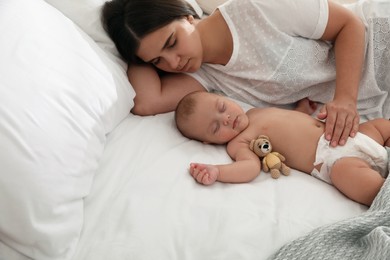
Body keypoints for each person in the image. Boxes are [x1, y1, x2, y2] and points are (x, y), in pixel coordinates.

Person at [102, 0, 390, 147]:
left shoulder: (255, 7)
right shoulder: (207, 78)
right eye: (158, 61)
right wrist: (135, 50)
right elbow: (146, 102)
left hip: (379, 42)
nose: (174, 62)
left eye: (172, 42)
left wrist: (346, 99)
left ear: (187, 15)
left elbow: (348, 24)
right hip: (376, 100)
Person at [174, 91, 390, 206]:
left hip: (346, 134)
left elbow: (290, 121)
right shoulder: (239, 142)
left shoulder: (255, 111)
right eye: (215, 127)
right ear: (209, 142)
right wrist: (217, 171)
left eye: (222, 107)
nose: (226, 118)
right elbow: (249, 167)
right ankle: (384, 193)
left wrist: (302, 109)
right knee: (347, 175)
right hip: (334, 158)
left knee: (381, 126)